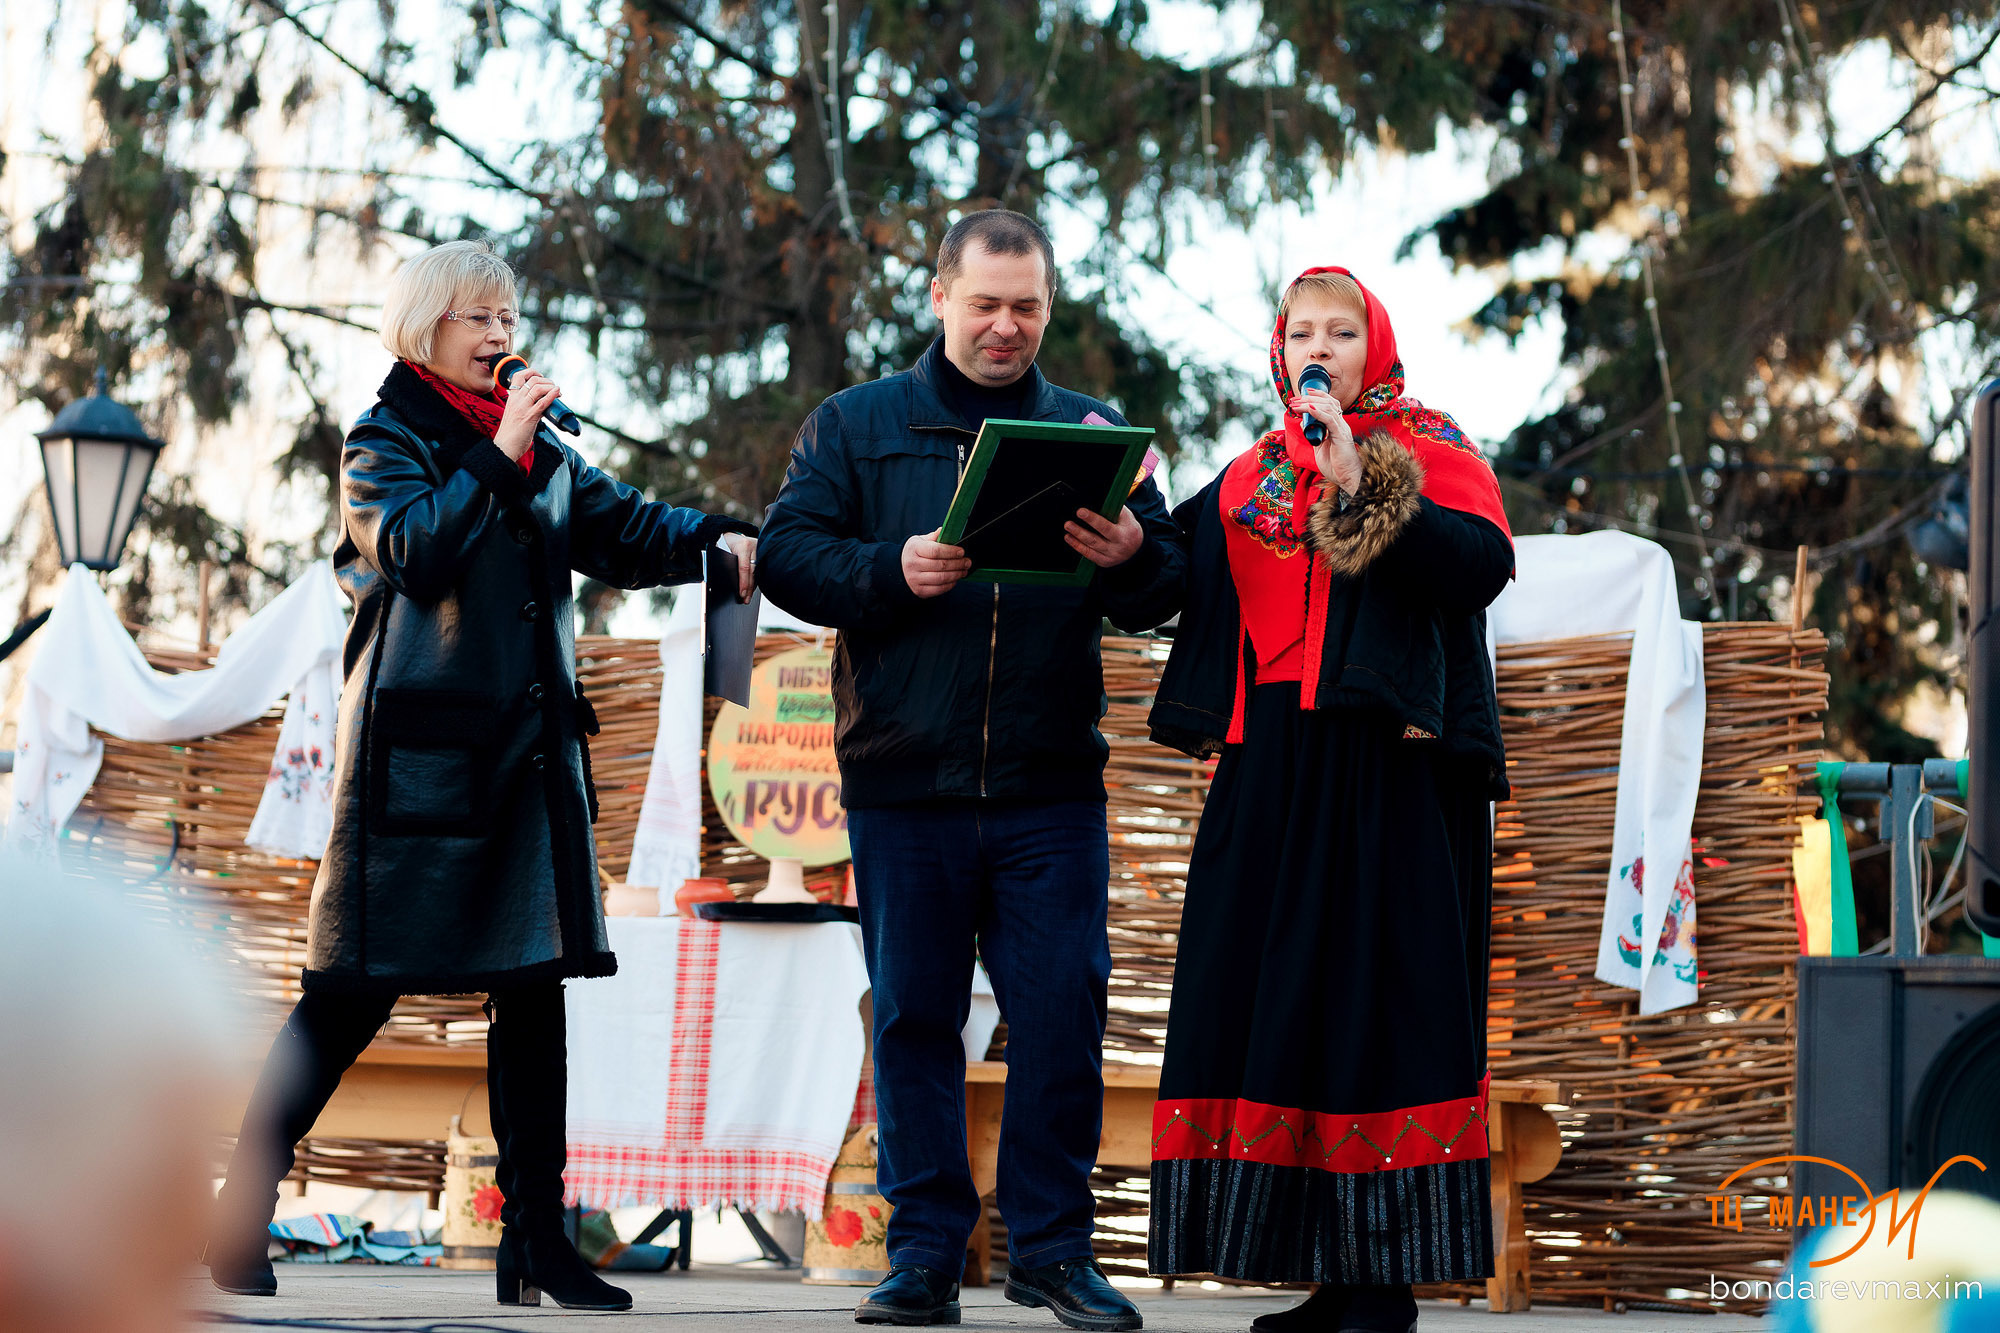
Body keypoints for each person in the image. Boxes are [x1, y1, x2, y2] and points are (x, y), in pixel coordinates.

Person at [204, 240, 757, 1312]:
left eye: (507, 316)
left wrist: (726, 539)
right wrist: (501, 449)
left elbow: (627, 527)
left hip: (524, 761)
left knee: (533, 995)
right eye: (476, 318)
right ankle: (236, 1209)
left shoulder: (542, 447)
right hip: (416, 775)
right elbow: (415, 550)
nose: (501, 336)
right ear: (425, 329)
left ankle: (536, 1243)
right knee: (345, 1000)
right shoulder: (381, 439)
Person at [757, 209, 1183, 1332]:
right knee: (912, 1020)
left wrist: (1136, 555)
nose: (1006, 326)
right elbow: (790, 553)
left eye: (1027, 306)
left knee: (1059, 1016)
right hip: (905, 778)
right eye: (986, 302)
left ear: (1049, 307)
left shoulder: (1094, 431)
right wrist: (887, 570)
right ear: (938, 296)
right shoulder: (855, 426)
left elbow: (1167, 584)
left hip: (1050, 782)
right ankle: (924, 1258)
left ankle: (1052, 1252)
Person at [1144, 267, 1514, 1333]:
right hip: (1268, 767)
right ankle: (1322, 1269)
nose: (1320, 347)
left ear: (1374, 346)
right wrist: (1128, 547)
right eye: (1300, 330)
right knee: (1281, 1004)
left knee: (1378, 999)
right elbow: (1168, 580)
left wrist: (1363, 481)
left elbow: (1481, 565)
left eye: (1340, 332)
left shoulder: (1430, 449)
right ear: (1277, 350)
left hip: (1385, 764)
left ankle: (1383, 1284)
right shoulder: (1241, 478)